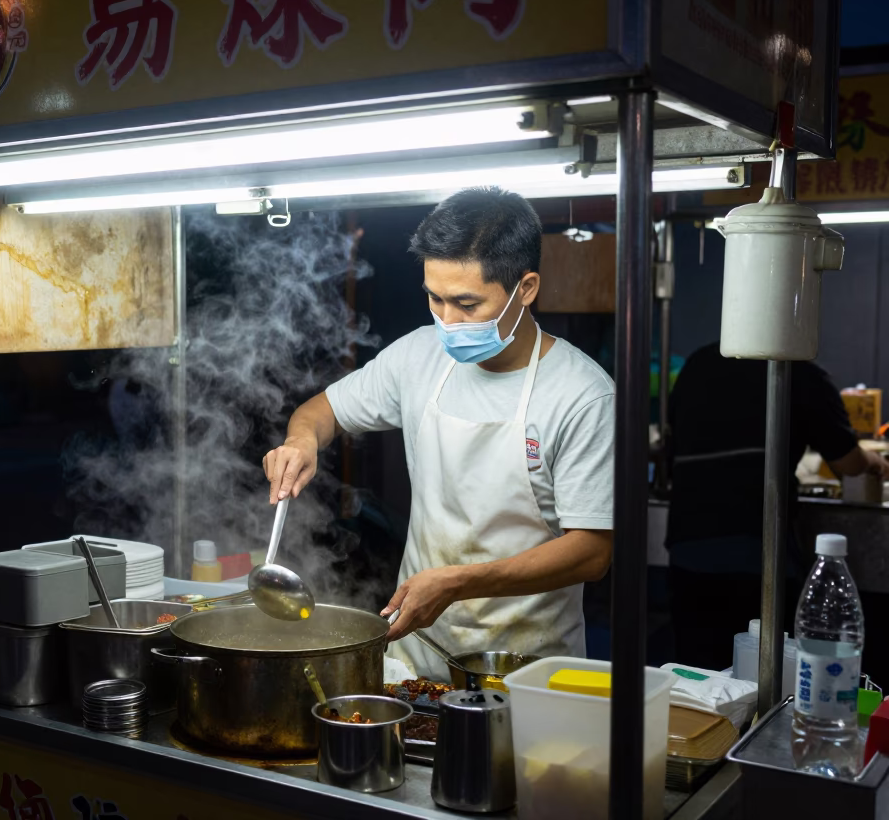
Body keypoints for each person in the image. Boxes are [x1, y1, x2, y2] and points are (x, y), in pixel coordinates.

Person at [261, 187, 615, 678]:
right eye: (435, 298)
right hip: (416, 654)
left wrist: (458, 582)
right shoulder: (419, 355)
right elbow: (322, 410)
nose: (447, 321)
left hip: (529, 665)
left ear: (526, 288)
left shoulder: (583, 395)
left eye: (467, 304)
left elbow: (592, 551)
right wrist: (302, 440)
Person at [665, 344, 889, 671]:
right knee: (761, 678)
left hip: (688, 549)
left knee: (696, 681)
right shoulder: (796, 369)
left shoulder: (699, 361)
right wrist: (875, 461)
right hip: (756, 554)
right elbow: (847, 460)